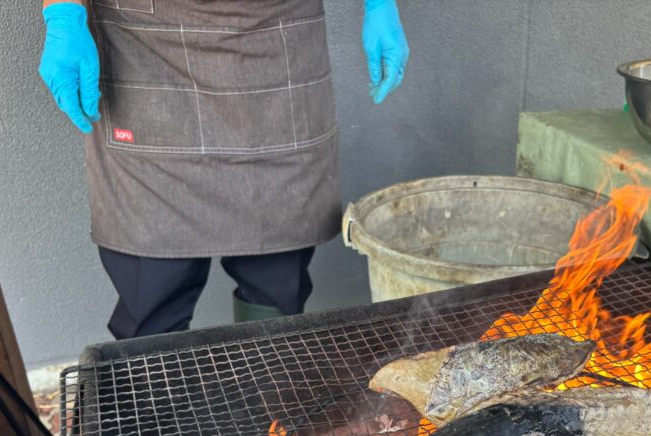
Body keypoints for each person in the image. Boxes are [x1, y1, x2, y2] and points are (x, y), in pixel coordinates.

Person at [38, 0, 409, 338]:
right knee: (151, 293)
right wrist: (63, 15)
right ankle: (156, 411)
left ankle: (266, 406)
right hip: (140, 42)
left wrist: (379, 5)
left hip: (276, 38)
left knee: (275, 292)